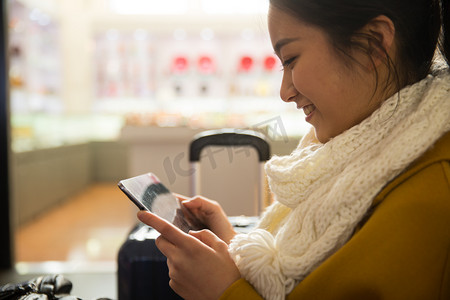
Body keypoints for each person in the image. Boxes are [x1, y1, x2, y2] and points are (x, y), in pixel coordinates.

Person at [137, 0, 450, 299]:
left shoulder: (432, 199)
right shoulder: (354, 152)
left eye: (291, 59)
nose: (285, 92)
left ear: (372, 44)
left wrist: (223, 293)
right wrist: (231, 246)